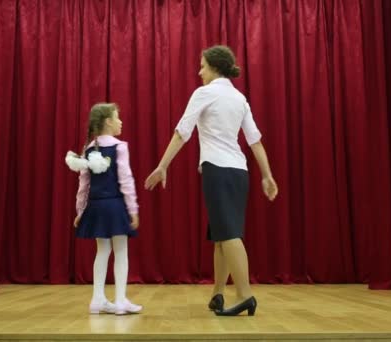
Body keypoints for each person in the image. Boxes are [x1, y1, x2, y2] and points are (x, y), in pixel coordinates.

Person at [144, 45, 278, 316]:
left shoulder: (204, 93)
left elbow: (182, 131)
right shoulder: (239, 98)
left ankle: (245, 295)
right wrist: (267, 175)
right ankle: (218, 293)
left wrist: (162, 166)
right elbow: (255, 141)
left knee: (228, 234)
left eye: (202, 65)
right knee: (221, 234)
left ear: (215, 67)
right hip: (240, 172)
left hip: (217, 170)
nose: (199, 71)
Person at [66, 103, 142, 315]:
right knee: (121, 251)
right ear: (108, 122)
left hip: (96, 206)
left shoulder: (89, 148)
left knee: (102, 251)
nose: (121, 121)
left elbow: (84, 184)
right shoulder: (119, 147)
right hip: (115, 205)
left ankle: (97, 299)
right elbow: (126, 180)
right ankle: (120, 301)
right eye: (117, 118)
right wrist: (133, 209)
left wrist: (80, 211)